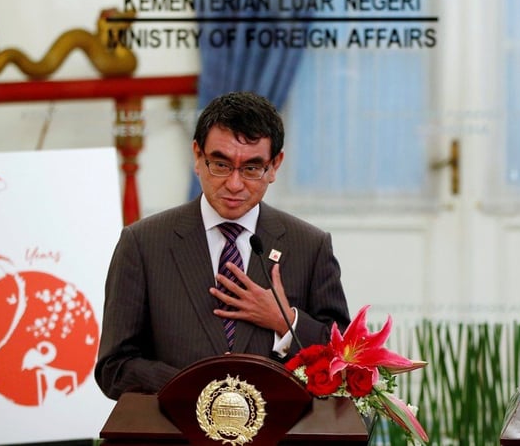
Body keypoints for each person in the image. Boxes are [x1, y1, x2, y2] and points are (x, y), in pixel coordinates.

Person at [96, 91, 350, 400]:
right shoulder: (143, 244)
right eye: (220, 164)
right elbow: (114, 368)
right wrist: (199, 389)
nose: (234, 184)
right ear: (197, 156)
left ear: (274, 166)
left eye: (252, 168)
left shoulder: (310, 246)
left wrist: (286, 322)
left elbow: (345, 361)